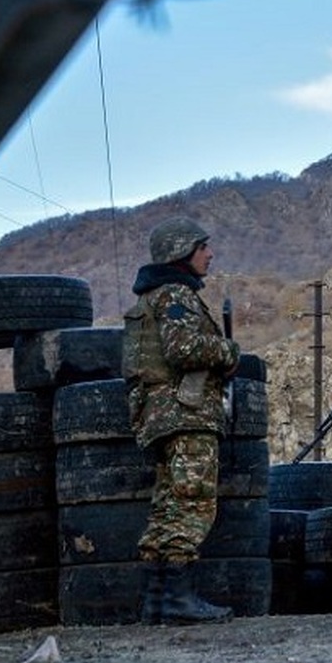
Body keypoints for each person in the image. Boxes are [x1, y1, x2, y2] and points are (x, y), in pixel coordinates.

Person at [122, 215, 240, 625]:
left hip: (160, 416)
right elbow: (184, 350)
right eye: (202, 246)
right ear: (181, 252)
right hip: (185, 414)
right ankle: (178, 600)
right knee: (192, 504)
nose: (209, 253)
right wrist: (229, 352)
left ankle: (158, 601)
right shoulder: (176, 294)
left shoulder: (152, 298)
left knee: (168, 505)